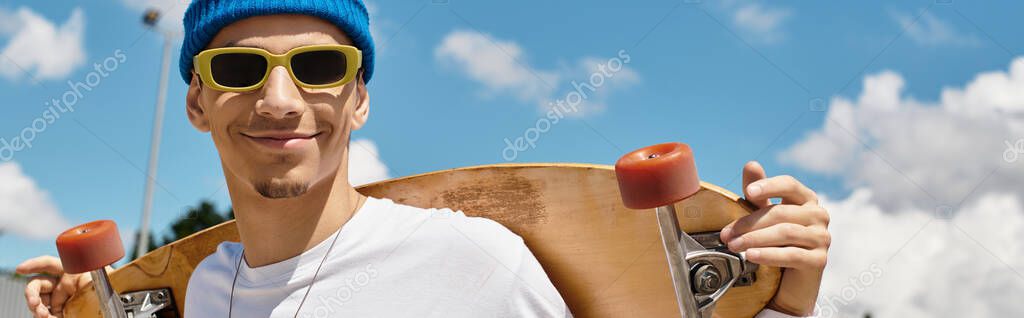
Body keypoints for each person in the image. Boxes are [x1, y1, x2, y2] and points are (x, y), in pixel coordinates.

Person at [17, 1, 831, 317]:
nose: (279, 100)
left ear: (360, 100)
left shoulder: (469, 262)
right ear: (197, 103)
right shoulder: (202, 287)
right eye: (237, 69)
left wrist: (789, 306)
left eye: (319, 66)